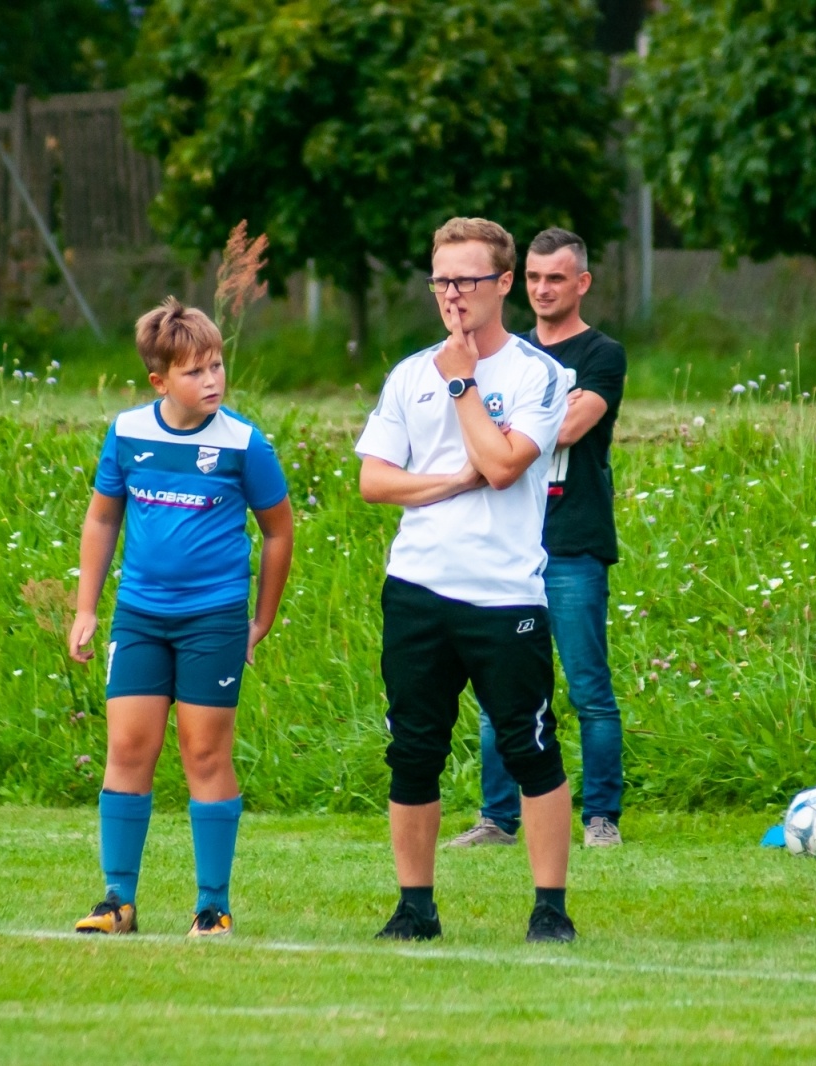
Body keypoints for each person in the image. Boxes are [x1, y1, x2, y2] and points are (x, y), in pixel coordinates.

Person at [355, 217, 576, 943]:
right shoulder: (406, 374)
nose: (452, 296)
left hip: (504, 593)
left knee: (529, 746)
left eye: (467, 281)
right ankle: (414, 906)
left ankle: (549, 907)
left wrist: (461, 381)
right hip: (417, 587)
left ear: (503, 284)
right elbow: (375, 481)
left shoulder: (538, 373)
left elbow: (506, 461)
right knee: (412, 748)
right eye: (441, 281)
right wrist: (451, 483)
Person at [68, 297, 293, 938]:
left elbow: (279, 532)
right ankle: (117, 901)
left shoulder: (244, 443)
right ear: (160, 381)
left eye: (218, 365)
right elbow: (102, 516)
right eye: (196, 371)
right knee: (128, 747)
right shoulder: (129, 432)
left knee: (204, 752)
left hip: (213, 621)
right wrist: (87, 608)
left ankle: (213, 906)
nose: (213, 380)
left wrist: (260, 620)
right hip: (139, 616)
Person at [450, 228, 627, 850]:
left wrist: (510, 421)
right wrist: (510, 422)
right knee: (506, 688)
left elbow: (565, 429)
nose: (542, 289)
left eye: (556, 278)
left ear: (581, 283)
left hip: (573, 543)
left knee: (587, 688)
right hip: (510, 545)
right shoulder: (508, 354)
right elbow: (469, 431)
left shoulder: (603, 354)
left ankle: (601, 817)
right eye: (533, 277)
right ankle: (498, 818)